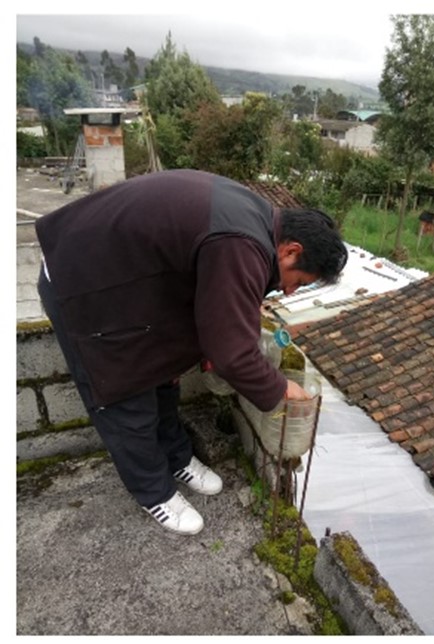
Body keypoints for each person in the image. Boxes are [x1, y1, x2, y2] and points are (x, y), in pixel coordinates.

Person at [35, 169, 347, 536]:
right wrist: (281, 389)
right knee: (125, 395)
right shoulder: (241, 242)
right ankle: (153, 491)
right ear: (291, 249)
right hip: (87, 282)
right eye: (299, 282)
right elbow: (231, 352)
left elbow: (225, 296)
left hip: (132, 280)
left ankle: (177, 456)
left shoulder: (257, 218)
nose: (290, 293)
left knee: (165, 374)